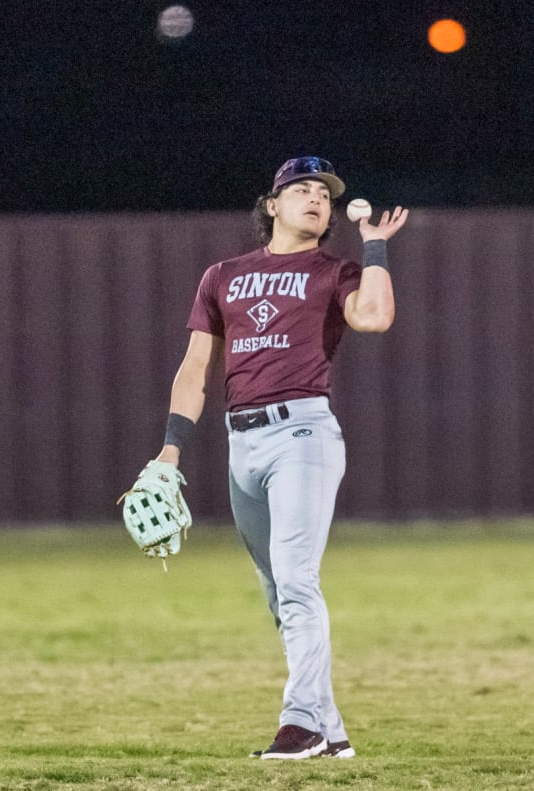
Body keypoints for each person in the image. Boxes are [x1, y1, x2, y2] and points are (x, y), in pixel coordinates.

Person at [154, 156, 408, 759]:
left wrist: (374, 248)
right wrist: (169, 452)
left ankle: (299, 725)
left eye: (323, 192)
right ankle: (331, 729)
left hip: (303, 435)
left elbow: (375, 317)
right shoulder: (222, 275)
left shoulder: (336, 270)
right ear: (271, 206)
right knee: (276, 588)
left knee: (296, 578)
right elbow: (195, 369)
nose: (316, 198)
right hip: (242, 440)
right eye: (300, 189)